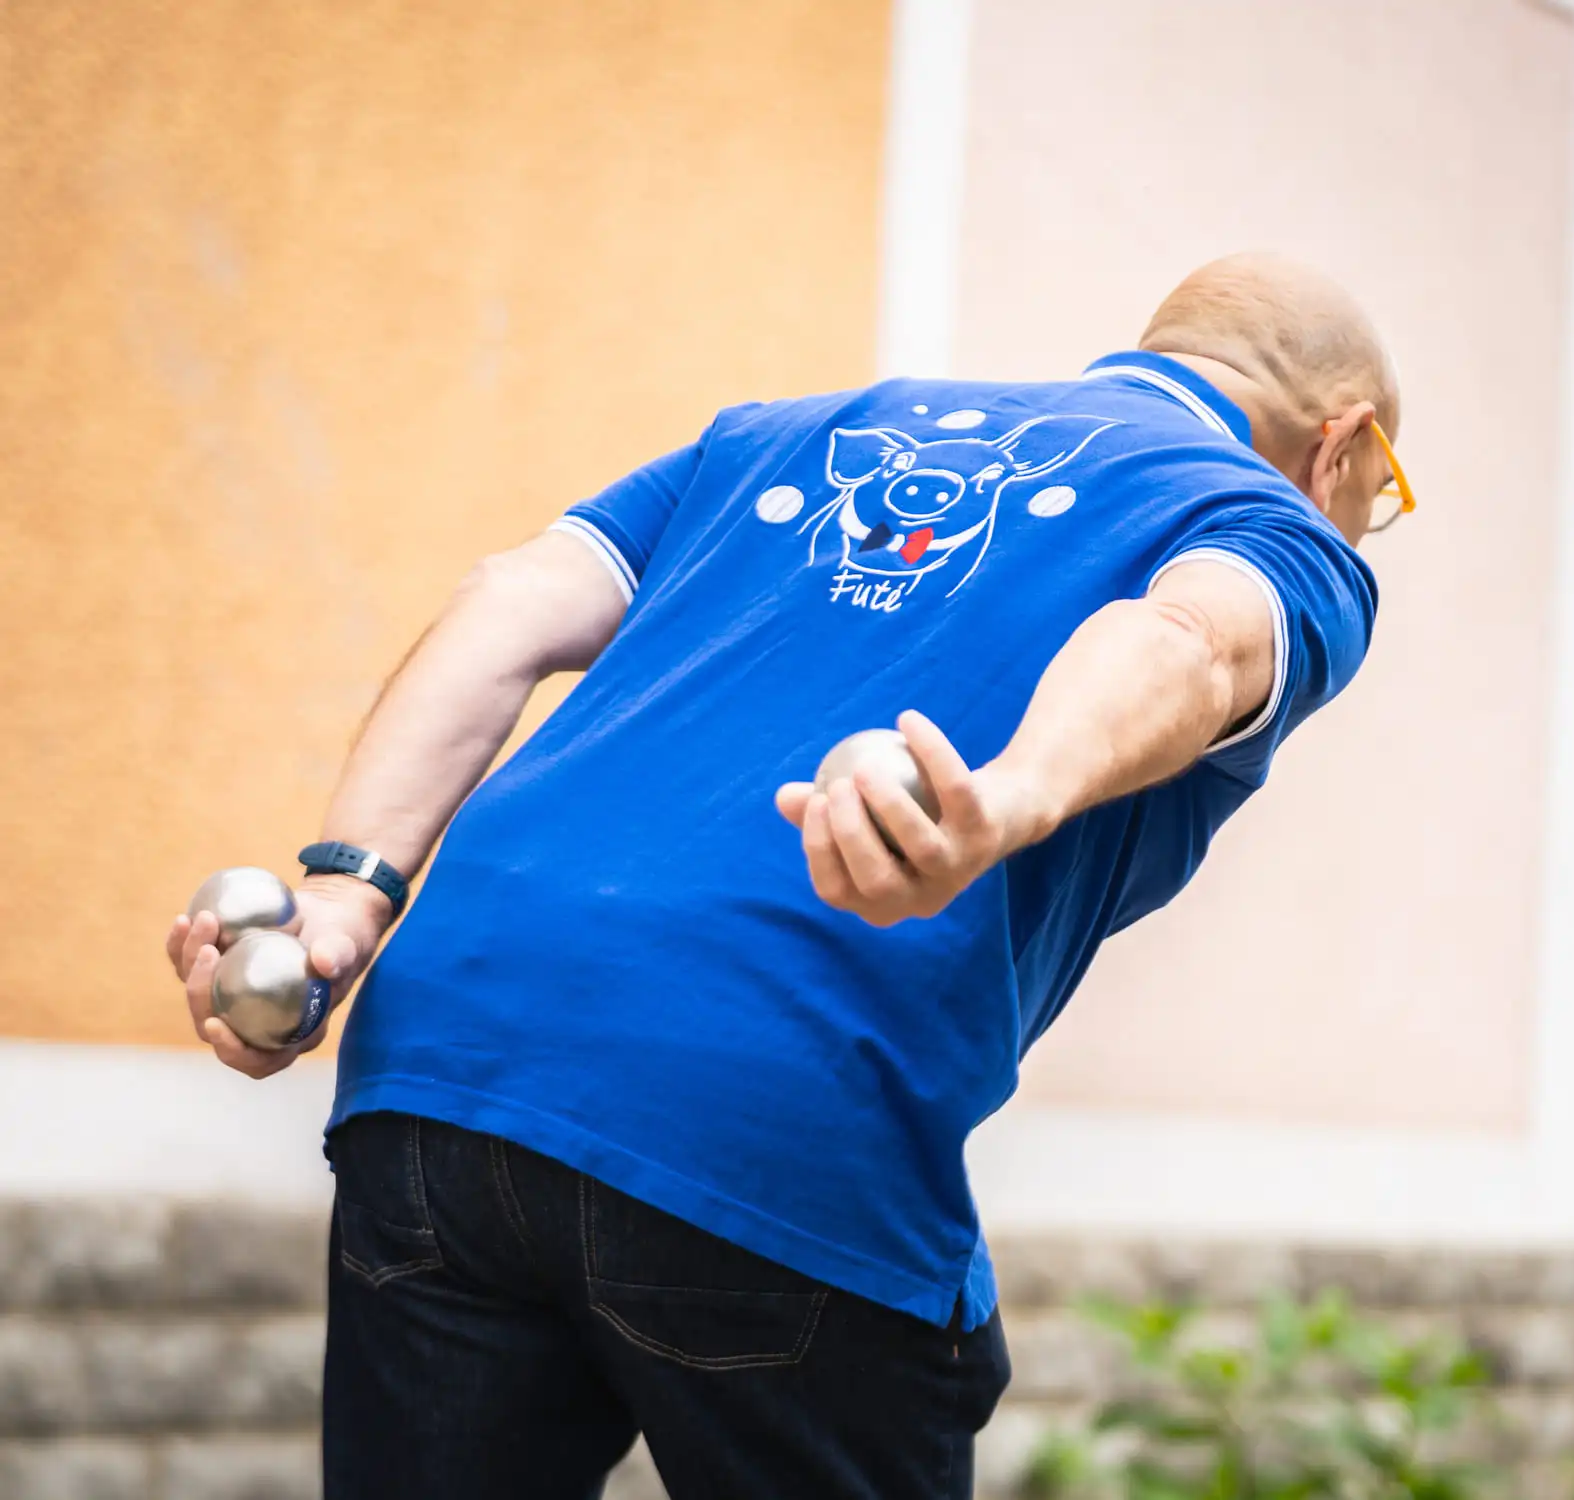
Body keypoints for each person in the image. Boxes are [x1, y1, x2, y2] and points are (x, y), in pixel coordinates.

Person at [164, 251, 1411, 1500]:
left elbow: (509, 600)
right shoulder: (1268, 524)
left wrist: (346, 890)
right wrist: (1006, 799)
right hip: (771, 1090)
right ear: (1341, 445)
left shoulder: (780, 435)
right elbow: (1189, 638)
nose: (1364, 522)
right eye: (1383, 494)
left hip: (447, 1054)